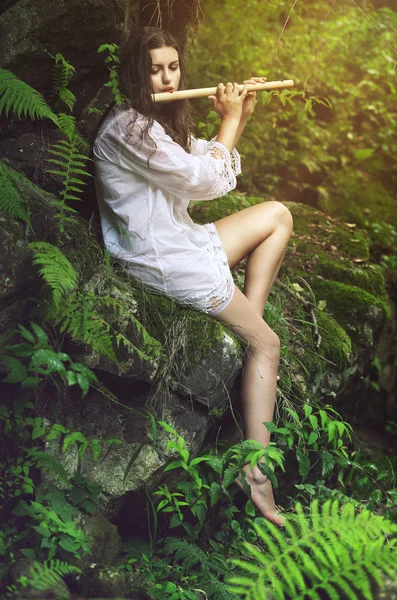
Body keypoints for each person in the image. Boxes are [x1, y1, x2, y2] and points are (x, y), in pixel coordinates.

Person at [93, 27, 293, 527]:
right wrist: (229, 121)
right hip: (160, 259)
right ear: (136, 73)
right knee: (268, 346)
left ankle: (250, 323)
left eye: (173, 67)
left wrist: (239, 117)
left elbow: (204, 161)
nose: (166, 78)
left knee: (278, 215)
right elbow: (204, 182)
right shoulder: (128, 130)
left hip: (183, 242)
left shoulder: (153, 124)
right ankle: (256, 472)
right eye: (155, 69)